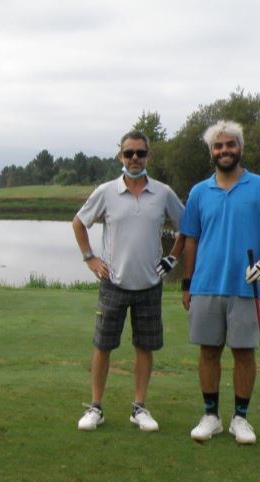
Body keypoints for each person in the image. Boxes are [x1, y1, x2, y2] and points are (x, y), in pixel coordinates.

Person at [73, 130, 185, 432]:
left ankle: (139, 407)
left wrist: (172, 257)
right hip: (113, 284)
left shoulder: (162, 193)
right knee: (102, 345)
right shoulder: (106, 191)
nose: (134, 158)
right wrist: (90, 258)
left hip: (149, 285)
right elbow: (79, 222)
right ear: (120, 156)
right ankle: (95, 407)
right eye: (129, 153)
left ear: (148, 156)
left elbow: (187, 226)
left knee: (144, 347)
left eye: (140, 153)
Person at [180, 120, 260, 444]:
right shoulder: (199, 191)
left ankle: (241, 418)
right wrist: (186, 284)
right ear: (211, 152)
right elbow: (191, 240)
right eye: (218, 146)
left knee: (243, 352)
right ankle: (211, 415)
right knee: (208, 351)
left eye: (230, 145)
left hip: (246, 286)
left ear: (240, 148)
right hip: (206, 284)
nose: (224, 151)